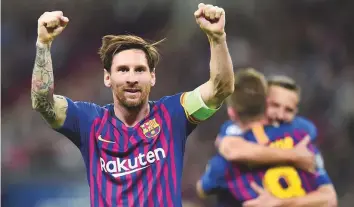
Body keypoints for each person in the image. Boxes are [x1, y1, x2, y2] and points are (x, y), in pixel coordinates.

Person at [31, 3, 234, 207]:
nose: (131, 78)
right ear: (107, 78)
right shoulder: (89, 121)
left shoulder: (172, 114)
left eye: (139, 70)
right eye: (122, 70)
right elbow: (42, 102)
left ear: (152, 77)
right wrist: (43, 44)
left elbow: (220, 89)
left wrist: (217, 38)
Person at [197, 69, 337, 207]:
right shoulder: (301, 144)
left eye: (289, 110)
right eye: (275, 105)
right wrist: (294, 155)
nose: (280, 115)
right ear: (263, 103)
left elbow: (330, 198)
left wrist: (281, 203)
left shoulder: (225, 163)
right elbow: (232, 148)